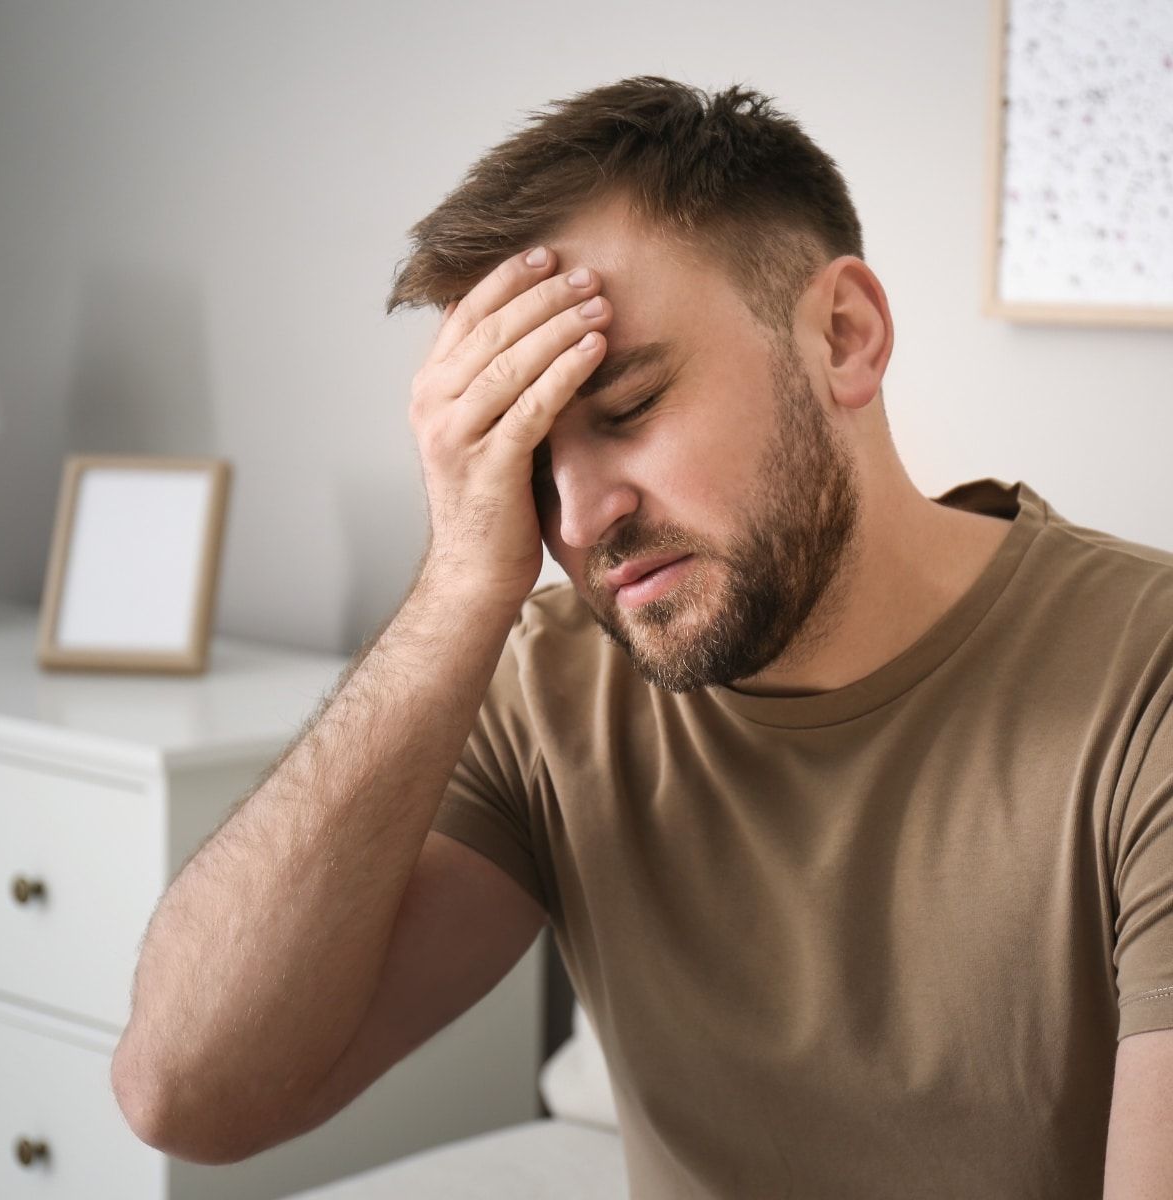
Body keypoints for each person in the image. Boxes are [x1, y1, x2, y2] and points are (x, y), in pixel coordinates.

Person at [111, 76, 1173, 1197]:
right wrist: (458, 586)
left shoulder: (1142, 681)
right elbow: (185, 1095)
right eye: (526, 463)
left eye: (627, 410)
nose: (576, 521)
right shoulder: (550, 689)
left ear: (844, 338)